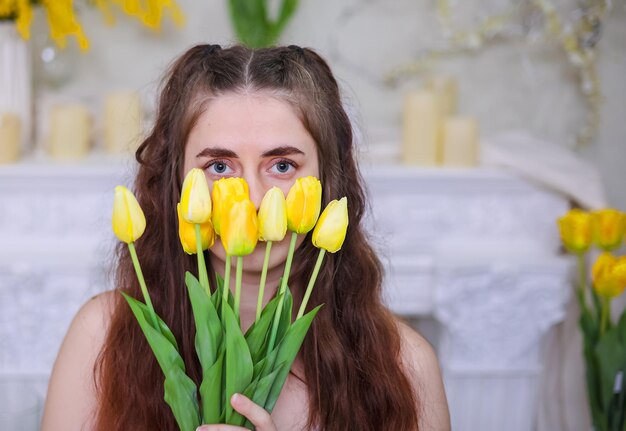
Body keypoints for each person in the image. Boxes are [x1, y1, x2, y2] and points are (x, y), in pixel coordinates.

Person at [41, 44, 450, 431]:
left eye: (283, 166)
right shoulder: (101, 335)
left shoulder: (406, 365)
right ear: (176, 184)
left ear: (328, 184)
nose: (252, 198)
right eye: (219, 166)